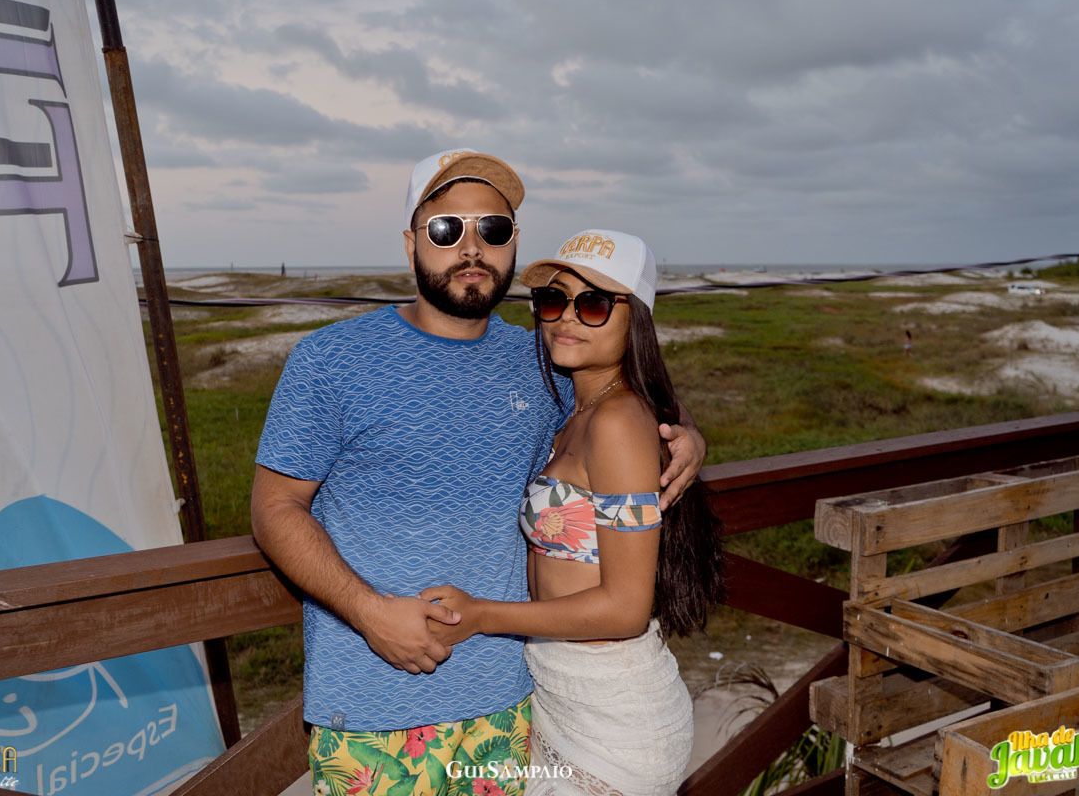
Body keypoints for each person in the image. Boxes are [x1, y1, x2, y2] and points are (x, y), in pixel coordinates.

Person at [250, 150, 707, 796]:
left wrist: (688, 434)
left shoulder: (542, 360)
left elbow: (628, 392)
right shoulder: (330, 360)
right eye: (446, 229)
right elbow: (273, 508)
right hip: (375, 712)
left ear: (513, 241)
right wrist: (369, 613)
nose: (471, 248)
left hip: (511, 708)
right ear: (410, 243)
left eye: (492, 229)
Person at [421, 230, 726, 795]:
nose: (566, 317)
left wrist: (482, 615)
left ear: (636, 319)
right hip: (564, 696)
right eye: (553, 300)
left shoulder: (616, 422)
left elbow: (625, 609)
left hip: (614, 715)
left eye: (593, 304)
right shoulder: (578, 406)